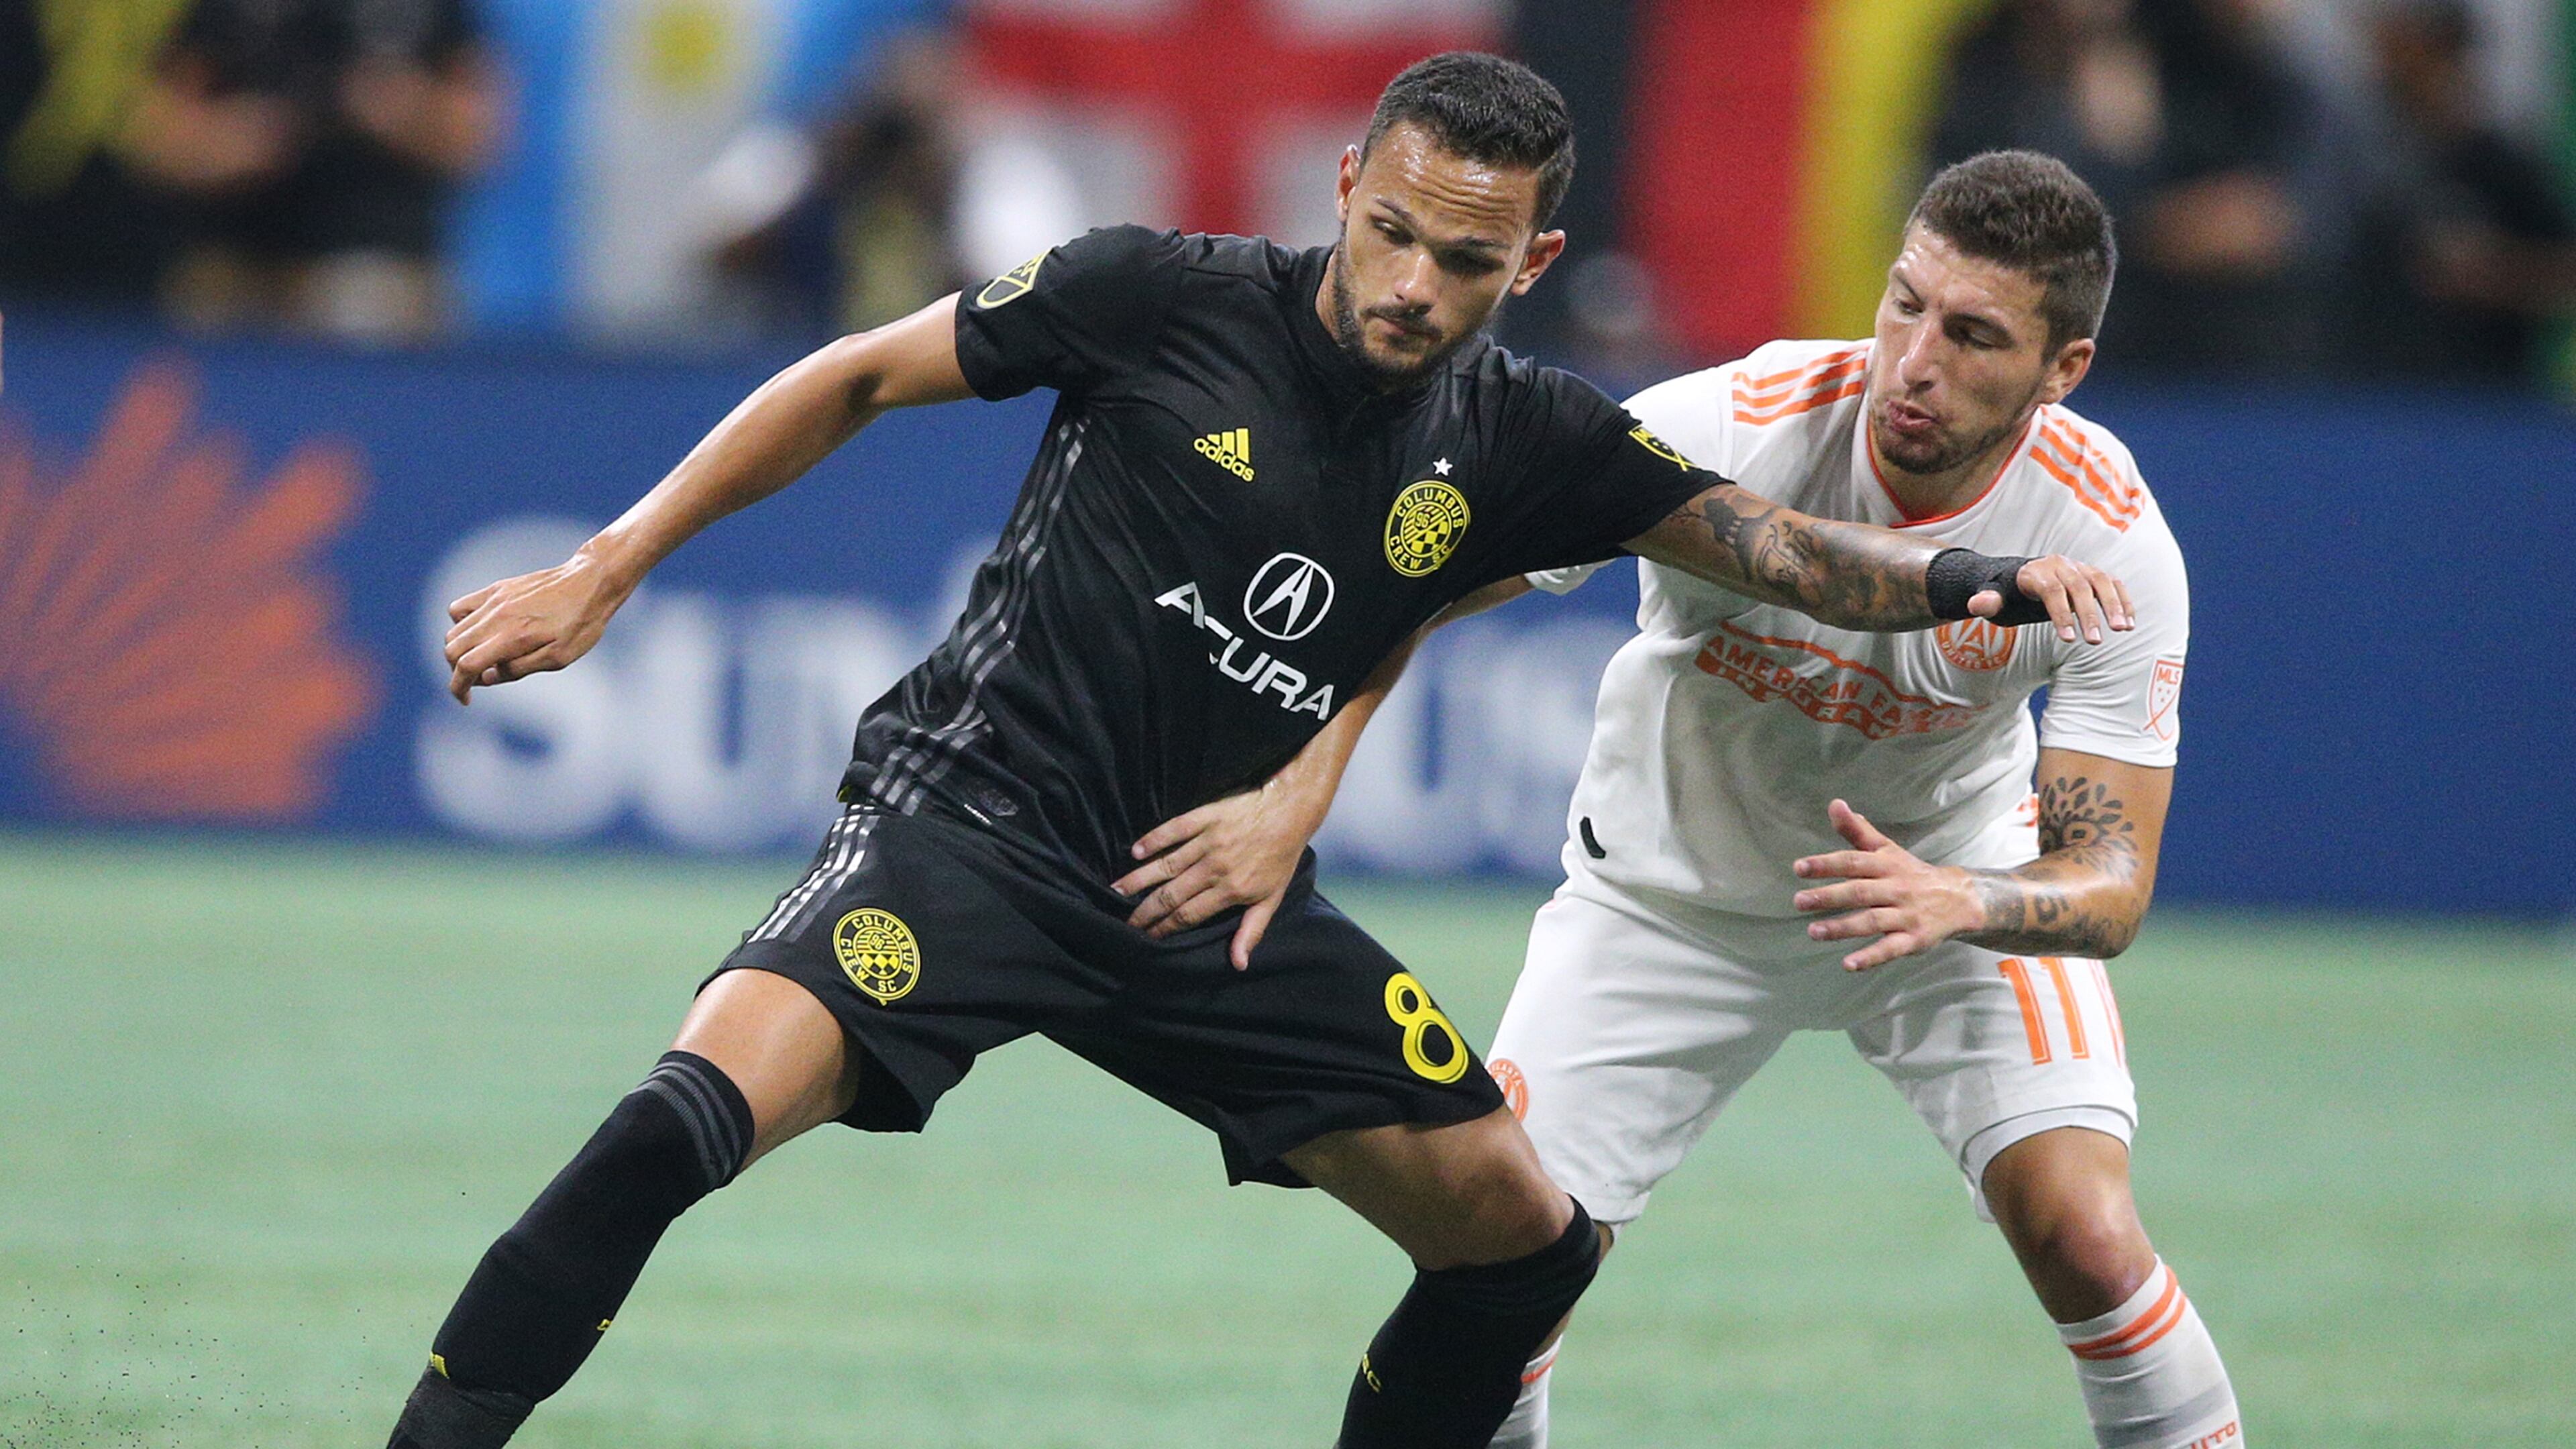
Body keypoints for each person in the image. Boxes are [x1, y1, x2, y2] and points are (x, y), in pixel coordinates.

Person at [389, 56, 2128, 1449]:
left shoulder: (1528, 436)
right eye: (1392, 232)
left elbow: (1789, 554)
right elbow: (851, 376)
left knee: (1521, 1249)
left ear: (1530, 264)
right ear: (1347, 189)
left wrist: (1976, 582)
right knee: (673, 1126)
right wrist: (607, 564)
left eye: (1468, 262)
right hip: (971, 831)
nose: (1414, 287)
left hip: (1207, 901)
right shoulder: (1152, 294)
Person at [1139, 150, 2232, 1448]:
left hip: (1940, 899)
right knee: (1502, 1274)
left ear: (2064, 369)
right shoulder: (1729, 426)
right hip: (1667, 904)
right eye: (1905, 303)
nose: (1914, 360)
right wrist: (1298, 774)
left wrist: (1962, 897)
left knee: (2088, 1238)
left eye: (1975, 336)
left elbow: (2111, 885)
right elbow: (1434, 579)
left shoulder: (2107, 541)